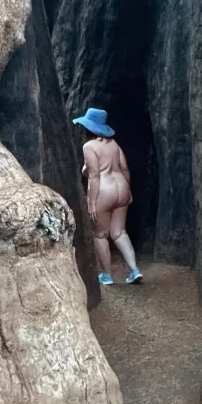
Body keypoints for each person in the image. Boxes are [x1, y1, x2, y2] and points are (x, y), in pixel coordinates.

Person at [72, 107, 143, 286]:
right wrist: (129, 192)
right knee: (119, 232)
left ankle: (106, 275)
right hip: (121, 188)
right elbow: (124, 168)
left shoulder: (89, 146)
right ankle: (134, 270)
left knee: (101, 235)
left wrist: (91, 202)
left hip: (104, 191)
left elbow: (94, 175)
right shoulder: (114, 144)